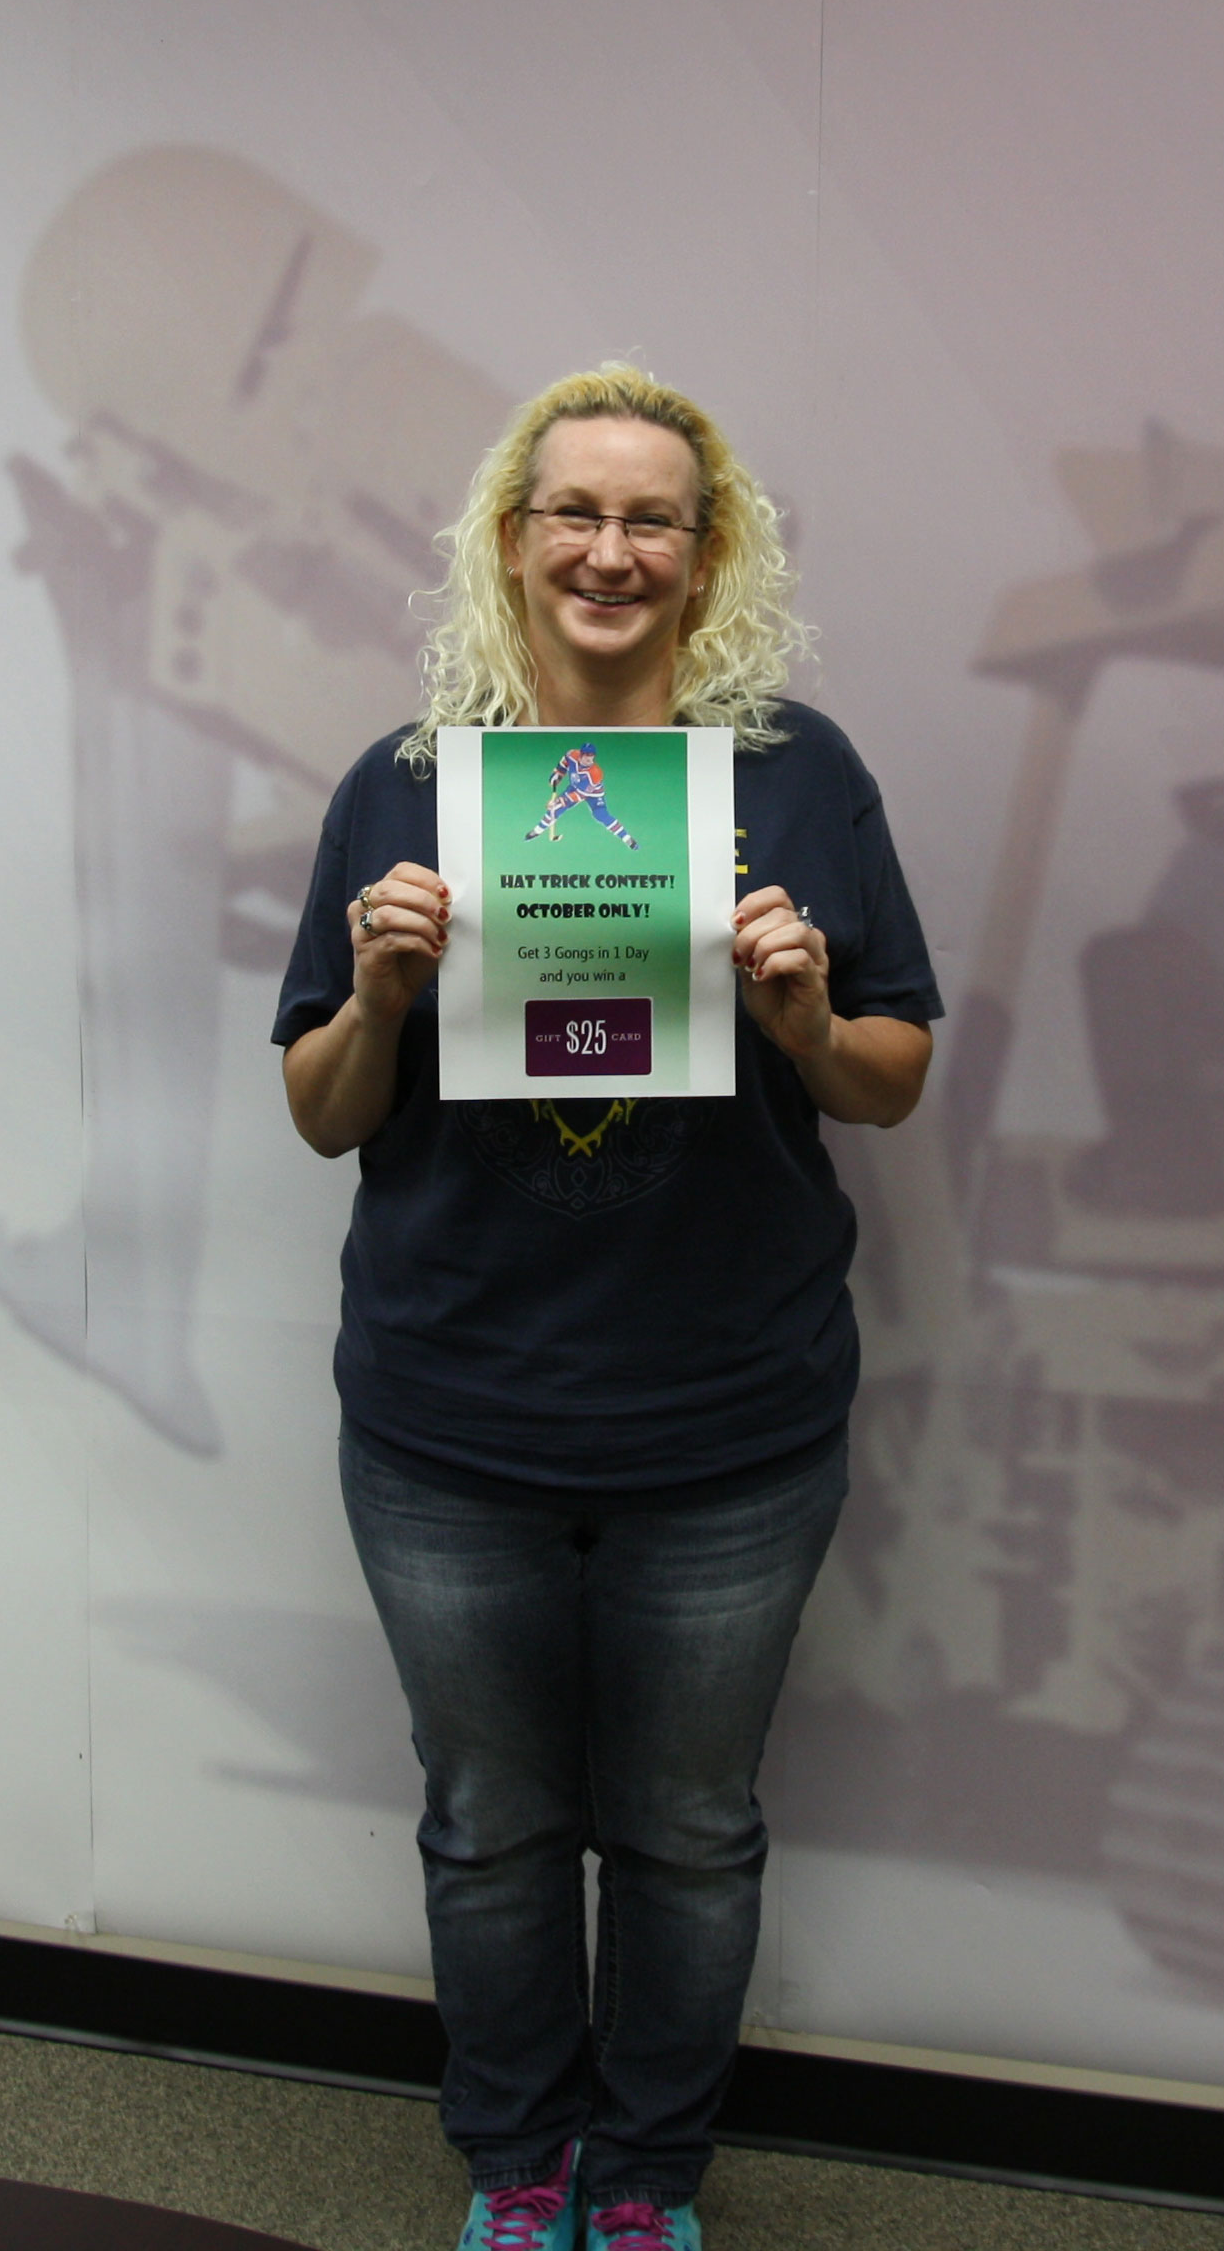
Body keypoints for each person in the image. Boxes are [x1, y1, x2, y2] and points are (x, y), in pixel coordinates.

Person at [273, 362, 937, 2251]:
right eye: (575, 511)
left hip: (730, 1422)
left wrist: (805, 1016)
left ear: (709, 555)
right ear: (514, 539)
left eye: (653, 519)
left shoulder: (798, 777)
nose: (611, 551)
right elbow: (322, 1113)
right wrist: (380, 996)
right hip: (450, 1419)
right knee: (489, 1825)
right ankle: (519, 2167)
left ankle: (641, 2182)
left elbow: (891, 1081)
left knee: (688, 1832)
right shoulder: (405, 787)